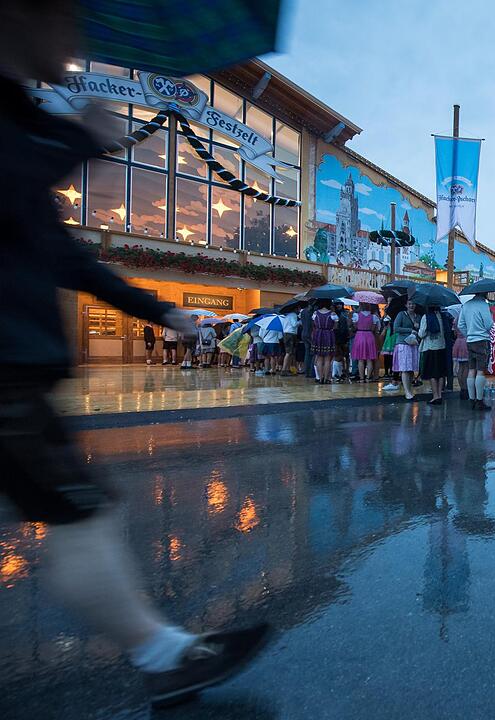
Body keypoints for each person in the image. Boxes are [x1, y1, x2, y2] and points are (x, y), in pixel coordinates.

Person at [0, 1, 269, 705]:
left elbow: (62, 254)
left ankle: (163, 654)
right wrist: (79, 139)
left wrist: (162, 310)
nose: (72, 35)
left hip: (17, 372)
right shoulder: (22, 129)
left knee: (79, 513)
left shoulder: (21, 118)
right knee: (78, 514)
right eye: (63, 16)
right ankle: (163, 655)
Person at [457, 292, 494, 410]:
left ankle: (471, 399)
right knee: (480, 371)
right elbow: (488, 324)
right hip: (482, 340)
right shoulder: (484, 305)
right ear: (485, 293)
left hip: (470, 341)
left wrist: (468, 334)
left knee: (471, 369)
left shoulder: (466, 305)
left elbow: (460, 324)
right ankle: (479, 400)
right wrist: (490, 316)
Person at [418, 305, 448, 405]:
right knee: (441, 373)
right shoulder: (442, 316)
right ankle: (440, 395)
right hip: (442, 346)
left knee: (432, 373)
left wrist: (417, 328)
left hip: (430, 347)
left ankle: (435, 396)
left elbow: (422, 334)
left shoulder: (426, 317)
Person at [392, 301, 419, 400]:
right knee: (405, 368)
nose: (411, 305)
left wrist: (418, 326)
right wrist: (410, 330)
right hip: (403, 343)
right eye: (409, 304)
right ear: (406, 305)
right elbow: (396, 328)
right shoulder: (401, 314)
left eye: (413, 304)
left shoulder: (418, 316)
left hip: (413, 343)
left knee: (411, 369)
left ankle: (409, 389)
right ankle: (407, 392)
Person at [351, 304, 381, 383]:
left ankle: (361, 378)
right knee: (369, 358)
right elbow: (375, 328)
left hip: (359, 335)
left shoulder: (356, 315)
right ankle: (368, 378)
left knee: (360, 359)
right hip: (370, 336)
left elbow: (355, 327)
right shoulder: (374, 317)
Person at [310, 301, 337, 384]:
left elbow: (313, 324)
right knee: (327, 358)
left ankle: (320, 378)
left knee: (319, 358)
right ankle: (326, 378)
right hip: (328, 334)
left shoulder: (315, 313)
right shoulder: (332, 314)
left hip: (318, 334)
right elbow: (336, 326)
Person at [281, 310, 300, 375]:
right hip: (291, 334)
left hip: (286, 334)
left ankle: (287, 369)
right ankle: (284, 370)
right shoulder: (293, 315)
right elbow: (294, 324)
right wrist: (300, 322)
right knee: (289, 352)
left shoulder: (287, 316)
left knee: (290, 353)